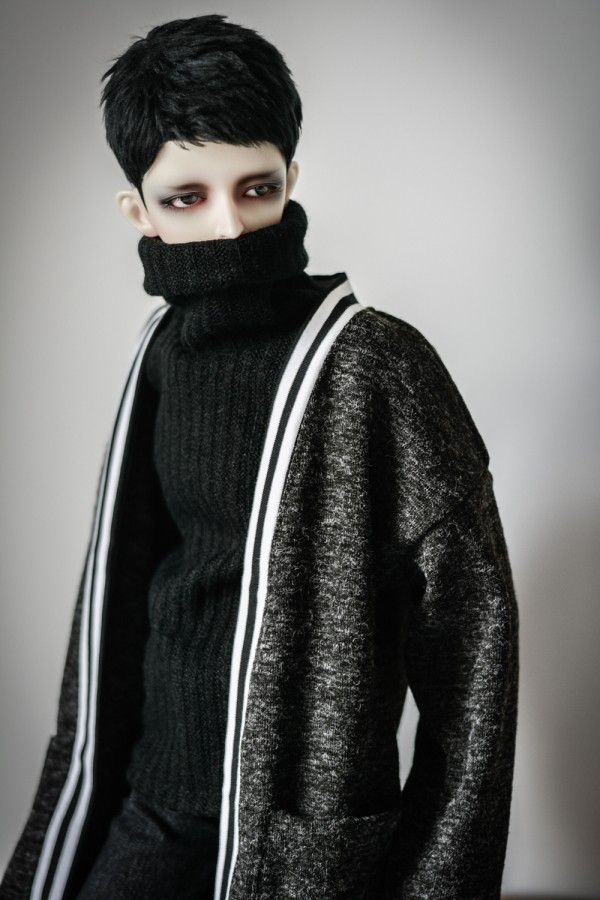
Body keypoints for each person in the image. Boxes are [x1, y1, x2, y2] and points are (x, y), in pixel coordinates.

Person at [0, 14, 519, 900]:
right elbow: (131, 585)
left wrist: (435, 884)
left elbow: (472, 668)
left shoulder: (374, 366)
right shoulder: (161, 351)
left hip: (295, 840)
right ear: (138, 211)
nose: (232, 226)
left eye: (256, 187)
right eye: (186, 198)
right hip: (149, 800)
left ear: (291, 180)